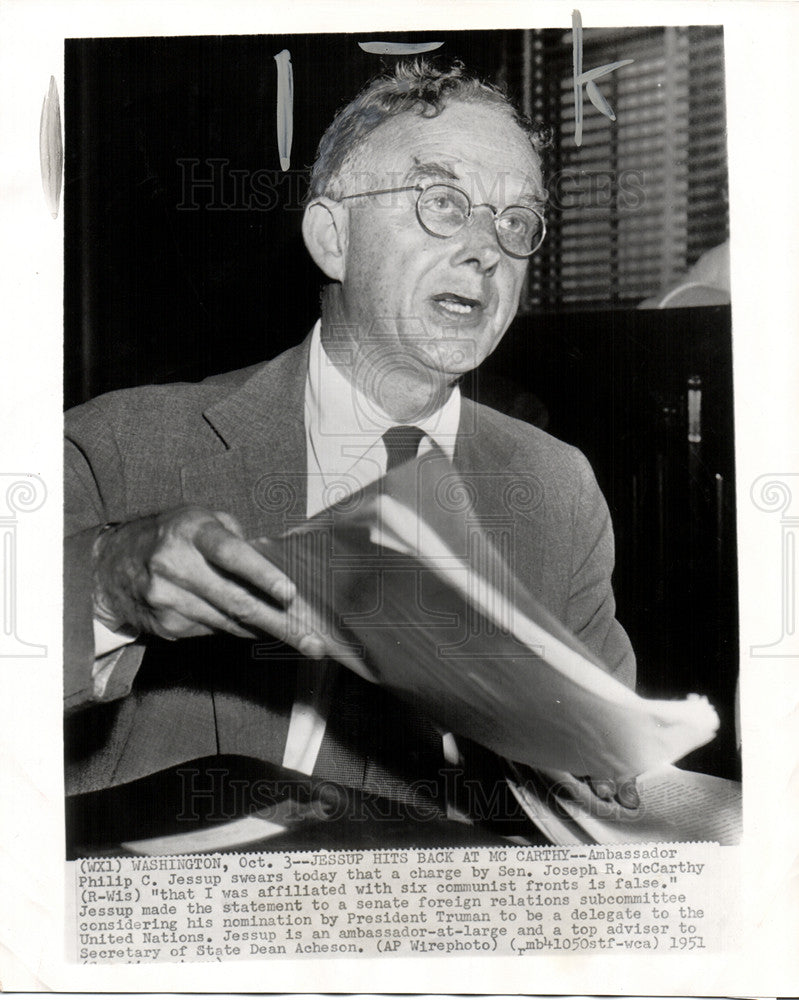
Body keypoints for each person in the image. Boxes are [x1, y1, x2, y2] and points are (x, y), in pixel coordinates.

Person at [64, 59, 637, 848]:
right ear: (332, 238)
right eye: (443, 203)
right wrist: (106, 587)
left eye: (517, 222)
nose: (486, 250)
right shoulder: (117, 446)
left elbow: (604, 795)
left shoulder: (555, 486)